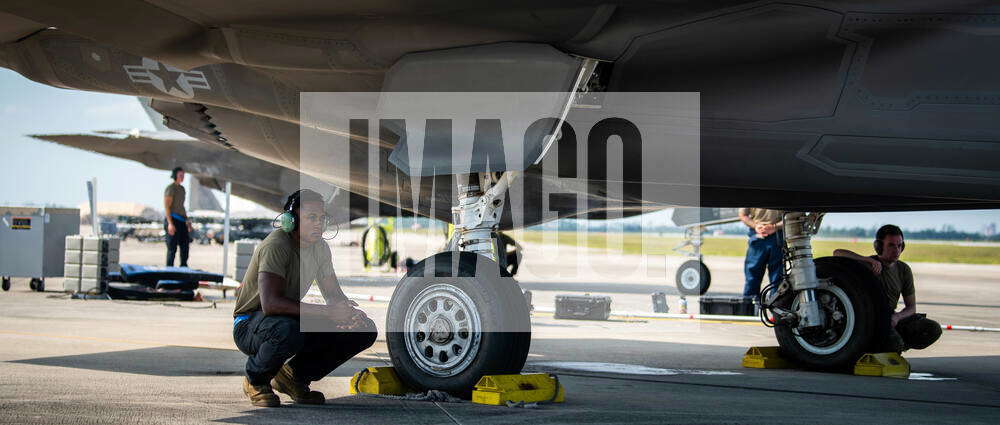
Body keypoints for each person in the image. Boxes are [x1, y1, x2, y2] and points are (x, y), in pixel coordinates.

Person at [232, 189, 376, 407]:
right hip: (251, 323)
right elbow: (271, 304)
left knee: (363, 329)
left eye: (321, 218)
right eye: (311, 217)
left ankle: (293, 377)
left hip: (288, 318)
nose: (319, 223)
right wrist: (329, 313)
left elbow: (333, 295)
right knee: (287, 331)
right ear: (291, 220)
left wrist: (347, 313)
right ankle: (255, 380)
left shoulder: (320, 248)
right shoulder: (276, 245)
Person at [833, 225, 941, 352]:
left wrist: (897, 317)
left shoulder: (903, 270)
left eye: (899, 245)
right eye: (891, 245)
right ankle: (883, 346)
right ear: (879, 247)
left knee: (932, 329)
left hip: (891, 319)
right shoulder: (868, 265)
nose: (896, 250)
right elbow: (837, 253)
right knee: (894, 344)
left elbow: (911, 308)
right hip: (869, 319)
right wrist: (866, 259)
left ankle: (886, 345)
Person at [739, 208, 785, 299]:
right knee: (752, 277)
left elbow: (791, 216)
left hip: (777, 236)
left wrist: (774, 227)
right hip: (758, 235)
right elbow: (743, 215)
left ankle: (775, 308)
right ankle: (749, 308)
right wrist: (756, 226)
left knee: (777, 279)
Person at [164, 166, 192, 267]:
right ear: (175, 175)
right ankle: (169, 271)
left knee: (185, 246)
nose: (182, 177)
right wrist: (170, 224)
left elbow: (181, 206)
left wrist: (187, 221)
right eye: (180, 175)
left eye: (183, 175)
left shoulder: (182, 189)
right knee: (172, 248)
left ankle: (183, 268)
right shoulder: (171, 188)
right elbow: (167, 207)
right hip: (172, 219)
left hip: (181, 220)